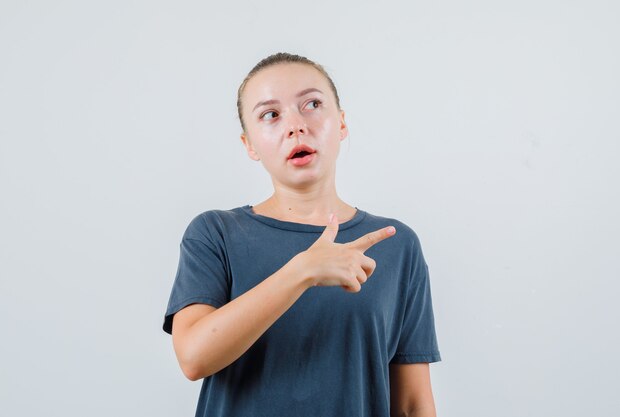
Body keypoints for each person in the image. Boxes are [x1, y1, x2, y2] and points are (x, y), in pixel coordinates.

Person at [162, 52, 442, 417]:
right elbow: (194, 358)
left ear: (340, 124)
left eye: (311, 104)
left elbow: (411, 405)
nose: (295, 125)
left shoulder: (396, 244)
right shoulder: (215, 234)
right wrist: (303, 271)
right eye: (270, 115)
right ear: (250, 144)